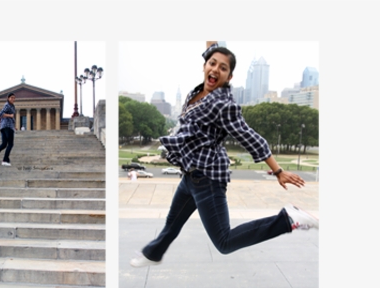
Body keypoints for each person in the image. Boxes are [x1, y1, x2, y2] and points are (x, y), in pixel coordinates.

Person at [130, 41, 318, 268]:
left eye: (223, 68)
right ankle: (152, 254)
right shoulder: (199, 91)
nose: (215, 70)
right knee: (172, 225)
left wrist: (277, 170)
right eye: (212, 64)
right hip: (190, 176)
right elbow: (211, 48)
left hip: (208, 179)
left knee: (224, 242)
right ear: (204, 65)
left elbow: (250, 136)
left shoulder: (223, 105)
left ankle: (286, 220)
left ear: (229, 77)